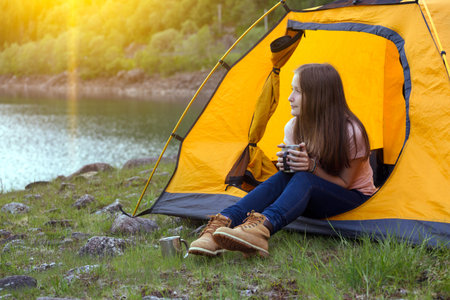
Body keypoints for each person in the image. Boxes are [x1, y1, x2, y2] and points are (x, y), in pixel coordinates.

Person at [188, 63, 377, 257]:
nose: (290, 98)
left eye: (298, 92)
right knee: (286, 177)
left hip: (353, 200)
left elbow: (345, 183)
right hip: (309, 199)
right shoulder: (294, 126)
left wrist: (310, 167)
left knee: (304, 178)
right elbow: (297, 179)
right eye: (291, 90)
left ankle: (260, 231)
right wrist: (288, 165)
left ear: (318, 97)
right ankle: (219, 226)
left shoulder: (351, 131)